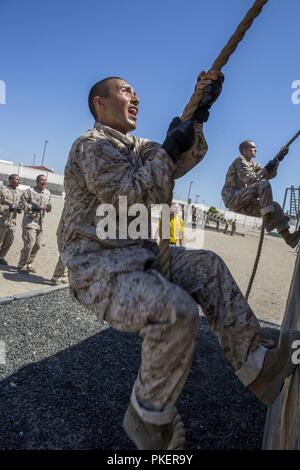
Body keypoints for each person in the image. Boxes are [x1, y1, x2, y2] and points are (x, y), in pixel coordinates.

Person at [60, 75, 300, 450]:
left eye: (136, 92)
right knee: (175, 313)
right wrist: (167, 152)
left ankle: (257, 366)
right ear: (99, 104)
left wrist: (199, 114)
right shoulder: (91, 146)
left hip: (139, 257)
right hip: (99, 266)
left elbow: (178, 162)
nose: (135, 97)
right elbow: (128, 196)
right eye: (125, 92)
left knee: (208, 266)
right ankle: (146, 415)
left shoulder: (137, 146)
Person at [221, 140, 300, 248]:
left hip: (245, 202)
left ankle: (289, 238)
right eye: (253, 147)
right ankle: (267, 217)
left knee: (275, 207)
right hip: (233, 198)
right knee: (264, 185)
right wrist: (267, 168)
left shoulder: (253, 164)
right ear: (244, 150)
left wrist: (277, 161)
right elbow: (251, 180)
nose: (256, 149)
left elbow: (268, 175)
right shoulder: (239, 161)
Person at [17, 174, 52, 273]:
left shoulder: (48, 193)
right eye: (42, 180)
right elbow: (21, 204)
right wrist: (31, 208)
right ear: (37, 181)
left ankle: (29, 263)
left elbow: (48, 204)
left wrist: (49, 207)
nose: (44, 182)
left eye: (45, 180)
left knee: (37, 245)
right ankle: (21, 265)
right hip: (30, 222)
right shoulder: (29, 191)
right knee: (29, 244)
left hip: (41, 224)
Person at [0, 174, 22, 264]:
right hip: (2, 220)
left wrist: (20, 208)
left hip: (12, 221)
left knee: (9, 240)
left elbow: (20, 204)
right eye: (16, 179)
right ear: (10, 180)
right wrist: (7, 208)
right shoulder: (2, 190)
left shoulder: (19, 193)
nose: (18, 181)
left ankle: (1, 257)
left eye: (19, 180)